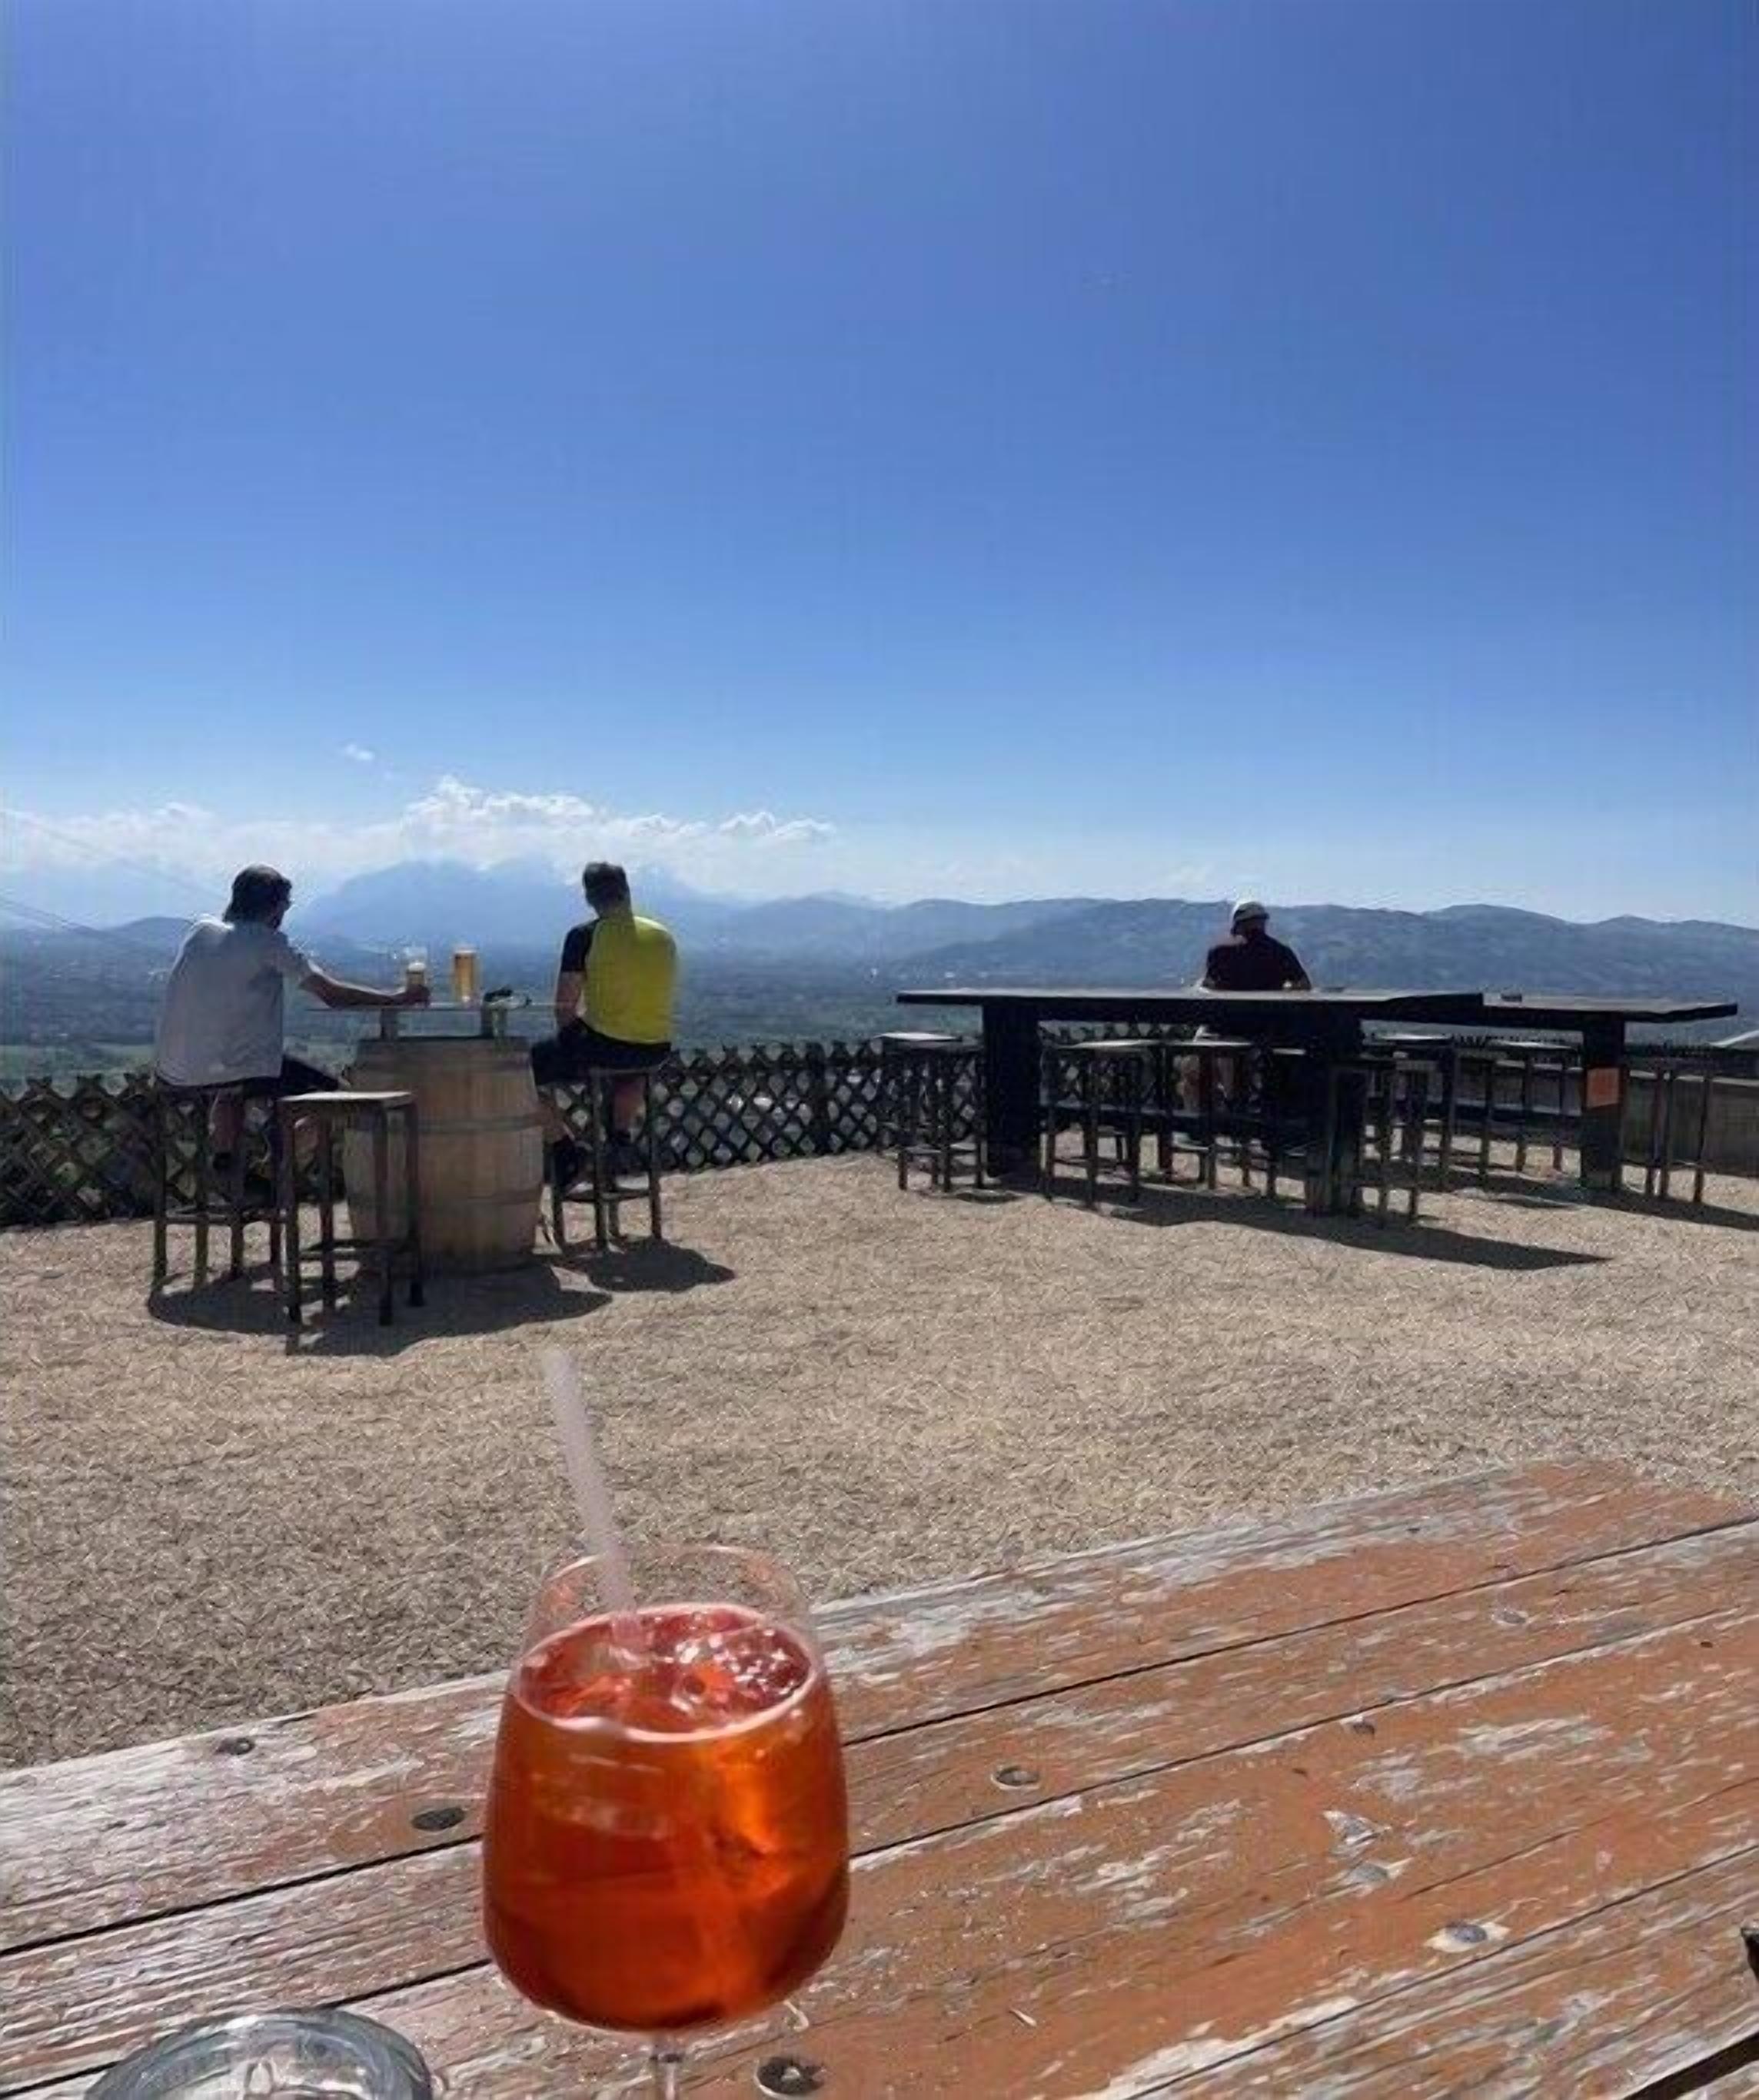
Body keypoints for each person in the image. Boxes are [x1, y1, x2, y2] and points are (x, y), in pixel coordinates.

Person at [154, 864, 430, 1170]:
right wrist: (397, 999)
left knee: (231, 1085)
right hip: (232, 1068)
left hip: (173, 1069)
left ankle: (226, 1164)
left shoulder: (199, 930)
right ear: (278, 907)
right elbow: (331, 994)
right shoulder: (268, 943)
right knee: (340, 1097)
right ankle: (277, 1166)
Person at [531, 862, 677, 1182]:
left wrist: (570, 1041)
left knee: (516, 1075)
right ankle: (618, 1138)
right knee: (631, 1070)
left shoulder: (584, 936)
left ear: (588, 898)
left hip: (605, 1047)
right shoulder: (663, 935)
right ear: (626, 891)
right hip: (656, 1048)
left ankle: (564, 1149)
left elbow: (564, 1006)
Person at [1202, 899, 1312, 992]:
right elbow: (1304, 985)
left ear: (1238, 924)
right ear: (1263, 922)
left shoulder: (1219, 953)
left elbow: (1208, 985)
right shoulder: (1282, 952)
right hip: (1270, 1014)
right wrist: (1285, 989)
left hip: (1227, 1014)